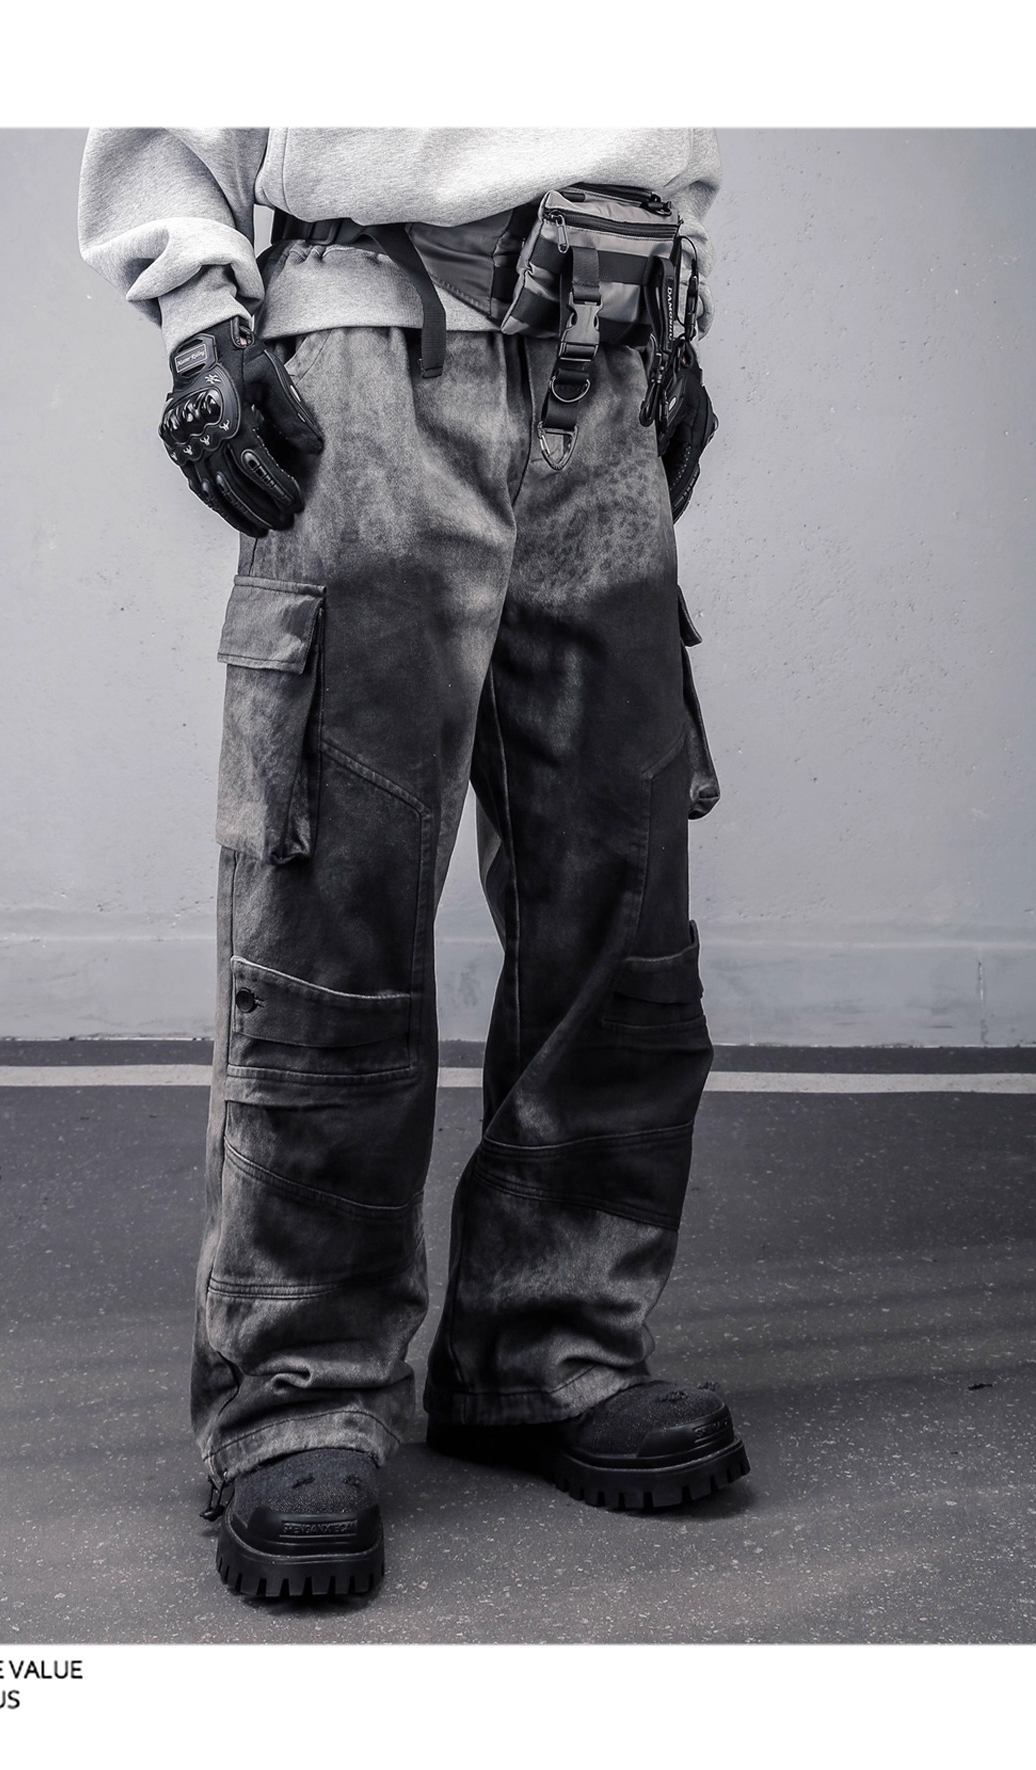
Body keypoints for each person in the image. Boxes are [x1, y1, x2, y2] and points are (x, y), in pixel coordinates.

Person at [78, 128, 747, 1602]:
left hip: (615, 349)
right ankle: (297, 1394)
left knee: (621, 895)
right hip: (374, 346)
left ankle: (552, 1346)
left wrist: (677, 302)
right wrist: (198, 318)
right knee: (338, 893)